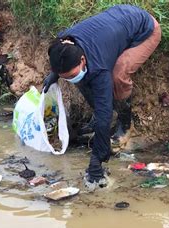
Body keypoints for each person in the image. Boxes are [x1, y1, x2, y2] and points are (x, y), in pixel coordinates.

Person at [43, 4, 161, 191]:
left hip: (144, 30)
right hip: (116, 21)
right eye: (66, 76)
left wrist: (96, 163)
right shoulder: (62, 43)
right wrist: (55, 75)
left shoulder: (98, 67)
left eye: (71, 74)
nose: (70, 79)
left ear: (83, 60)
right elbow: (62, 62)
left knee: (118, 74)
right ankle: (100, 119)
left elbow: (104, 114)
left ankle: (126, 123)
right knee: (83, 79)